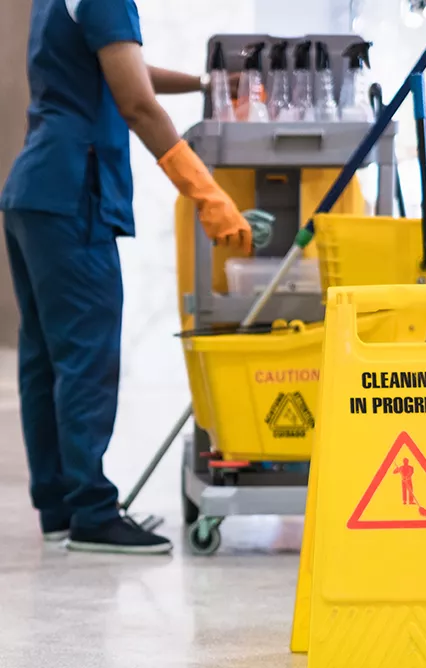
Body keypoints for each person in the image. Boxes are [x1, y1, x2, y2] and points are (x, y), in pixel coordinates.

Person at [0, 0, 252, 554]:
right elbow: (135, 102)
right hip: (73, 194)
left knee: (45, 361)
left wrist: (204, 83)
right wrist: (206, 192)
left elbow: (119, 69)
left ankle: (61, 508)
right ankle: (92, 512)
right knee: (86, 359)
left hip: (33, 191)